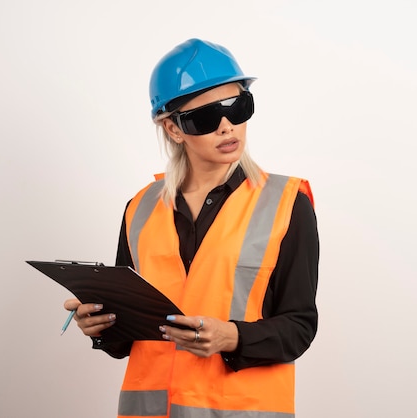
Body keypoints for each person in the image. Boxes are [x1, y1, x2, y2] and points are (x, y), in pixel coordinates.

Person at [64, 38, 319, 418]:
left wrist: (231, 337)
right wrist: (99, 324)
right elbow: (127, 339)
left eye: (237, 107)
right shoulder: (140, 208)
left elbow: (299, 326)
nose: (227, 126)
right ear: (173, 129)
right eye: (205, 117)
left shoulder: (287, 203)